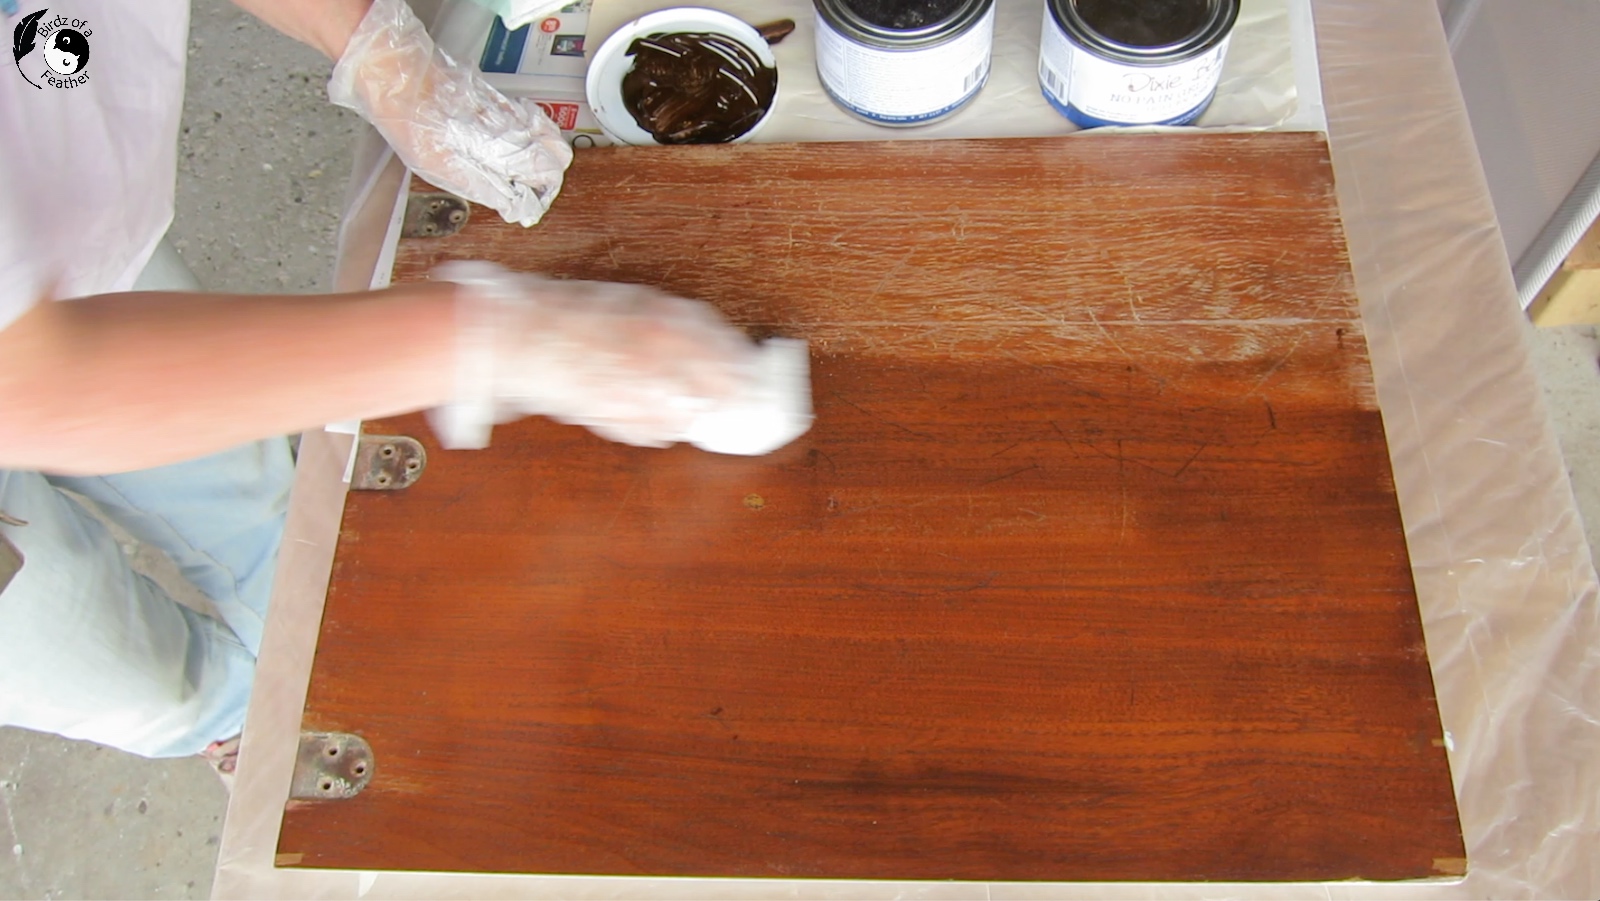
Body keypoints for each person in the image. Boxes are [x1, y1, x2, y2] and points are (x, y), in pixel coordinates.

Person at [0, 0, 787, 777]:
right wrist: (501, 338)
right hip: (30, 359)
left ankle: (299, 653)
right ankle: (239, 716)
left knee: (266, 515)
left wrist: (379, 50)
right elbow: (32, 380)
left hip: (50, 221)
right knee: (141, 683)